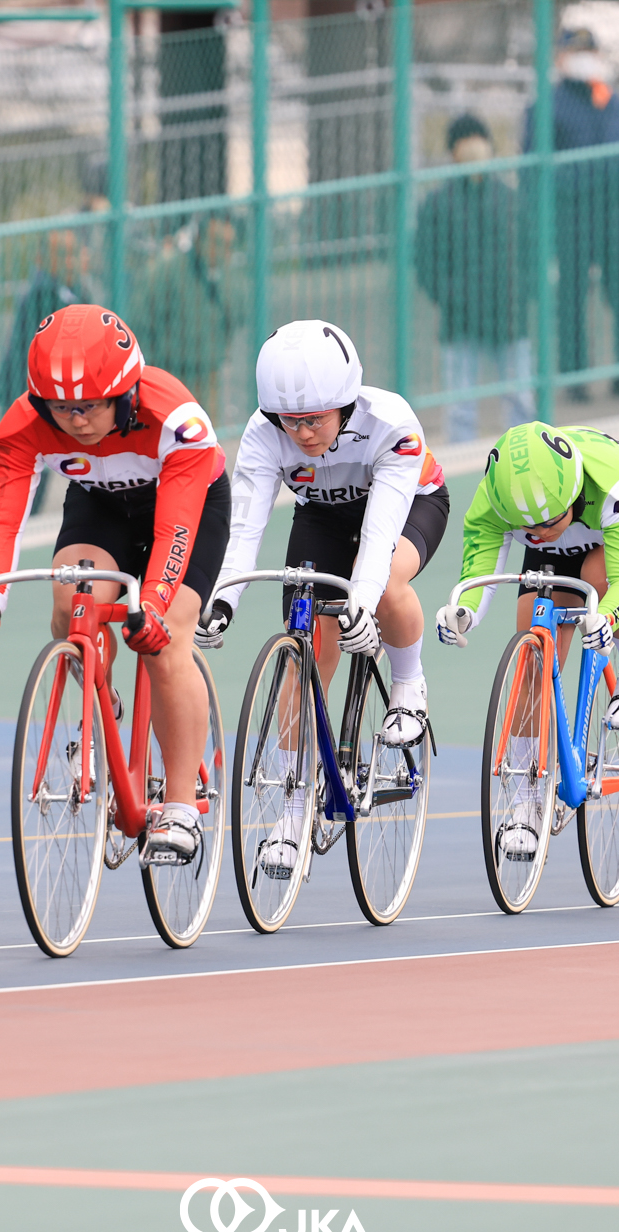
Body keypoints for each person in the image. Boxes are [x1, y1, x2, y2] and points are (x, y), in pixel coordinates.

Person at [0, 304, 229, 865]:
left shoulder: (174, 419)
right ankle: (102, 705)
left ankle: (179, 803)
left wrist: (150, 606)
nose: (76, 421)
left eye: (90, 406)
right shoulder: (23, 428)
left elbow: (174, 532)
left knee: (167, 634)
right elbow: (3, 520)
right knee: (69, 604)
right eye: (61, 408)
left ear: (125, 393)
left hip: (184, 507)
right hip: (102, 507)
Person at [198, 320, 450, 869]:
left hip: (406, 505)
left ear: (346, 403)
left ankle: (408, 682)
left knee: (382, 587)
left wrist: (360, 597)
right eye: (291, 421)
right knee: (304, 652)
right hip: (324, 518)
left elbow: (380, 540)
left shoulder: (391, 424)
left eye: (314, 419)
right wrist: (221, 600)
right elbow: (244, 530)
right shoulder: (264, 436)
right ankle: (291, 812)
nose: (303, 433)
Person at [434, 421, 619, 857]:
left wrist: (608, 616)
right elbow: (479, 571)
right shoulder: (499, 501)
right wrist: (464, 614)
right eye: (528, 531)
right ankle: (526, 801)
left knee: (599, 575)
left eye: (547, 523)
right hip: (562, 539)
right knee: (532, 653)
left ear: (571, 495)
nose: (539, 533)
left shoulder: (616, 485)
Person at [524, 26, 619, 401]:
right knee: (572, 299)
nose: (585, 57)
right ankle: (575, 380)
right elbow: (534, 170)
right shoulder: (546, 106)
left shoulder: (613, 103)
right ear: (560, 58)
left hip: (613, 215)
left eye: (589, 50)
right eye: (577, 51)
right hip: (571, 215)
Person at [413, 114, 535, 444]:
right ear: (452, 151)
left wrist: (520, 292)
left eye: (478, 140)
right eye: (464, 141)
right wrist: (451, 295)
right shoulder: (438, 204)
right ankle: (460, 464)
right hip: (461, 319)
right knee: (460, 407)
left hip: (508, 315)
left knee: (520, 400)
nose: (474, 148)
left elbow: (530, 253)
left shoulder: (510, 200)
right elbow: (425, 262)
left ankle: (527, 457)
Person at [128, 214, 246, 409]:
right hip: (171, 372)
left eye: (228, 245)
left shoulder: (229, 278)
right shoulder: (168, 271)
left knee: (208, 431)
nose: (221, 251)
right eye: (216, 242)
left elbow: (238, 315)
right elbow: (141, 320)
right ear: (199, 240)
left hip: (209, 373)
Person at [0, 227, 97, 414]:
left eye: (75, 253)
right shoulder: (41, 295)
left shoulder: (80, 291)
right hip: (29, 394)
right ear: (41, 259)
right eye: (63, 255)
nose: (70, 262)